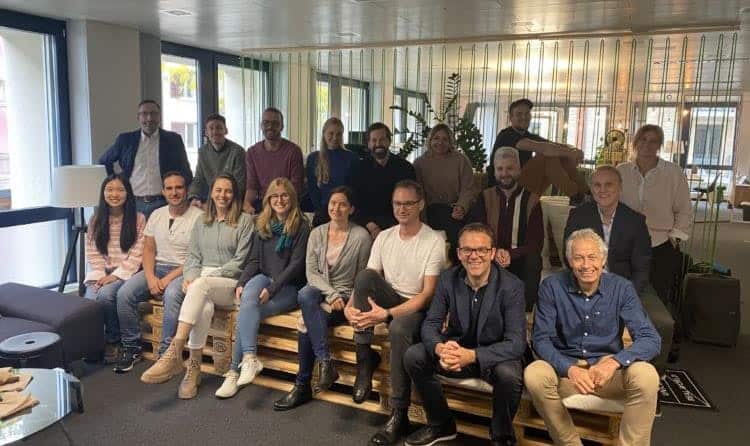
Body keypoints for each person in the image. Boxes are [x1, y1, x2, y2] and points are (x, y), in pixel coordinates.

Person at [525, 229, 661, 446]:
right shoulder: (552, 286)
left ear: (603, 259)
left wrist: (614, 363)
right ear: (570, 261)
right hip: (565, 373)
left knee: (647, 376)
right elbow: (540, 340)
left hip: (608, 374)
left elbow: (650, 338)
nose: (586, 265)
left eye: (592, 257)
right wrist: (570, 369)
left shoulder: (622, 288)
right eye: (578, 258)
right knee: (534, 374)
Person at [403, 223, 526, 446]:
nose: (474, 256)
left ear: (492, 253)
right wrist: (440, 349)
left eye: (481, 250)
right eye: (467, 250)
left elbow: (516, 343)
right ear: (459, 253)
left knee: (509, 374)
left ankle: (501, 436)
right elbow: (431, 324)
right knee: (414, 356)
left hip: (493, 358)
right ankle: (441, 424)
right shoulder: (448, 279)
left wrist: (472, 356)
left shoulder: (511, 286)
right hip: (456, 352)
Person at [345, 179, 446, 446]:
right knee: (365, 276)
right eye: (397, 203)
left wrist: (388, 314)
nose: (402, 209)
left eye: (408, 203)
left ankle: (399, 413)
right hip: (390, 296)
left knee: (399, 328)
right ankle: (364, 360)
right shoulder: (384, 237)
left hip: (417, 306)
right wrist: (350, 307)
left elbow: (427, 295)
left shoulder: (433, 240)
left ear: (420, 205)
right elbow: (367, 279)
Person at [140, 174, 254, 400]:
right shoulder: (202, 221)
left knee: (201, 286)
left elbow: (241, 261)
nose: (223, 195)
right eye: (218, 190)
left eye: (228, 191)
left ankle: (174, 350)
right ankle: (193, 369)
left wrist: (205, 276)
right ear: (211, 193)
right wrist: (191, 276)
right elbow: (192, 256)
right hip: (202, 283)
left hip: (230, 282)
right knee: (204, 308)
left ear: (234, 195)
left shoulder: (244, 221)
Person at [564, 166, 674, 373]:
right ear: (591, 189)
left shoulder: (635, 220)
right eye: (597, 185)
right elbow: (568, 257)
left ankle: (651, 376)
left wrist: (624, 296)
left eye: (609, 185)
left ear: (620, 188)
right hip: (585, 282)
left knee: (663, 323)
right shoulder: (578, 215)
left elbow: (642, 268)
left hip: (627, 285)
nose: (602, 190)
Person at [272, 186, 372, 410]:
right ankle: (325, 362)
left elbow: (362, 277)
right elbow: (311, 272)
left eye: (343, 204)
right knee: (306, 293)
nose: (336, 208)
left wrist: (341, 298)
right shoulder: (317, 233)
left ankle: (302, 385)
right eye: (333, 203)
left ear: (351, 209)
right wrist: (330, 293)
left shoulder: (361, 236)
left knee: (304, 321)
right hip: (322, 293)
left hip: (346, 298)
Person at [215, 177, 310, 398]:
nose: (280, 200)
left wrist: (272, 289)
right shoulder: (262, 223)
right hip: (264, 277)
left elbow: (295, 266)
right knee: (248, 295)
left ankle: (233, 372)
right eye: (274, 196)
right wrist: (241, 282)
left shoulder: (302, 226)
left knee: (248, 312)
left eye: (284, 195)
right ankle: (249, 358)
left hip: (289, 287)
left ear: (292, 198)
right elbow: (254, 260)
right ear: (268, 199)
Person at [114, 171, 203, 373]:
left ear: (186, 190)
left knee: (172, 294)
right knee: (124, 294)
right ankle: (132, 347)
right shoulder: (156, 214)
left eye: (179, 187)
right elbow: (148, 249)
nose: (174, 192)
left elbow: (195, 257)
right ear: (163, 191)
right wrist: (150, 277)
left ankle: (166, 355)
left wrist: (167, 279)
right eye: (169, 188)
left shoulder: (199, 217)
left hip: (185, 270)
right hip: (156, 268)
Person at [617, 124, 691, 361]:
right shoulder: (622, 171)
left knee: (657, 298)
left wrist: (675, 237)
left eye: (653, 141)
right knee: (625, 293)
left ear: (659, 145)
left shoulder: (673, 172)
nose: (647, 145)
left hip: (660, 243)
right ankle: (623, 344)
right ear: (635, 142)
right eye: (643, 140)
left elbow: (684, 209)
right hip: (627, 244)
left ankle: (654, 348)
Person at [468, 147, 543, 311]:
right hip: (489, 256)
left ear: (519, 170)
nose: (504, 173)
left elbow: (536, 243)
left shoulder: (532, 200)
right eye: (500, 169)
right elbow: (476, 233)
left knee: (534, 260)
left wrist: (510, 254)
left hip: (519, 257)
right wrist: (494, 252)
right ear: (494, 171)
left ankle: (525, 312)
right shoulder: (485, 197)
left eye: (510, 168)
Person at [84, 174, 146, 364]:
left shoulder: (138, 219)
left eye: (120, 189)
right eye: (109, 189)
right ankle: (94, 344)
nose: (114, 194)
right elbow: (92, 252)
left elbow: (137, 253)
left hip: (128, 272)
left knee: (105, 295)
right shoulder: (96, 220)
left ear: (128, 193)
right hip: (102, 273)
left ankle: (113, 340)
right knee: (90, 300)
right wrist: (100, 276)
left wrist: (116, 276)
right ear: (103, 193)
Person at [99, 99, 193, 218]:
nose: (149, 118)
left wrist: (182, 196)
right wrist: (116, 181)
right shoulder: (126, 140)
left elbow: (185, 171)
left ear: (159, 117)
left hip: (163, 202)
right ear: (138, 117)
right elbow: (104, 160)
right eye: (144, 114)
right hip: (132, 202)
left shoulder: (173, 140)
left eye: (153, 113)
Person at [487, 98, 587, 199]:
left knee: (560, 155)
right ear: (511, 118)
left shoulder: (528, 136)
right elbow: (544, 148)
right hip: (504, 189)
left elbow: (554, 145)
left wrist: (574, 150)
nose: (524, 117)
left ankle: (587, 193)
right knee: (547, 157)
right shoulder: (507, 135)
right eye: (519, 114)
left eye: (527, 113)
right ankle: (576, 196)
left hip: (524, 189)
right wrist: (570, 153)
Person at [414, 123, 477, 258]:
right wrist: (421, 218)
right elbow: (418, 193)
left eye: (445, 139)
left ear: (450, 142)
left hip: (455, 210)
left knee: (461, 236)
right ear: (430, 140)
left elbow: (468, 188)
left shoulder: (461, 161)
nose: (440, 143)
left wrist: (461, 206)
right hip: (429, 211)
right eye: (436, 138)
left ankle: (459, 265)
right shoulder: (419, 163)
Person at [352, 122, 416, 239]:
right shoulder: (358, 169)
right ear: (368, 144)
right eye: (374, 140)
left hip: (397, 223)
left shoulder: (405, 168)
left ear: (389, 141)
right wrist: (371, 226)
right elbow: (355, 203)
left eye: (382, 140)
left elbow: (411, 202)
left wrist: (394, 227)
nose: (378, 144)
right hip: (367, 225)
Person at [243, 107, 304, 214]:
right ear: (261, 125)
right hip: (262, 204)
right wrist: (247, 203)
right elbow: (252, 186)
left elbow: (296, 188)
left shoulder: (294, 151)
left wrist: (278, 202)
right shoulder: (252, 152)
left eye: (275, 123)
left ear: (282, 126)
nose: (270, 126)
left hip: (286, 203)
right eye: (266, 123)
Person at [306, 117, 360, 226]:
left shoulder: (352, 158)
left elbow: (354, 188)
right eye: (331, 133)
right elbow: (312, 189)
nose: (335, 138)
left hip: (345, 211)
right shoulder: (313, 158)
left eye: (339, 134)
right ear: (324, 134)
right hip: (322, 212)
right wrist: (321, 209)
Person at [188, 113, 246, 208]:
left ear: (226, 131)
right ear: (206, 132)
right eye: (211, 128)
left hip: (231, 200)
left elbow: (239, 185)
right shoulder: (203, 151)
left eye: (219, 128)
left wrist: (219, 202)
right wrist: (193, 197)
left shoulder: (238, 151)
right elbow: (198, 179)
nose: (215, 131)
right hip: (210, 199)